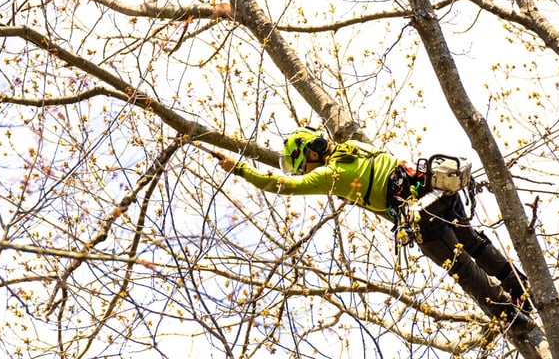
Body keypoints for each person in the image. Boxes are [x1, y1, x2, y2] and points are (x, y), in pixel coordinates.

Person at [217, 126, 534, 333]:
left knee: (461, 266)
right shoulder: (354, 146)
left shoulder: (330, 174)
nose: (304, 171)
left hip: (419, 215)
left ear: (311, 153)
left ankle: (511, 316)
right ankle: (523, 289)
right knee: (474, 243)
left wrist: (241, 169)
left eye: (303, 164)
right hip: (436, 189)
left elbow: (282, 185)